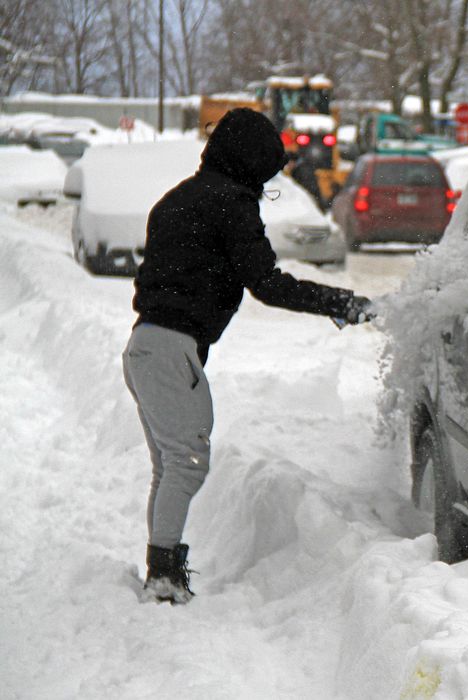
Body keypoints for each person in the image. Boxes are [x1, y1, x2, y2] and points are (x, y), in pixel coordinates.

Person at [123, 108, 373, 604]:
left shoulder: (176, 200)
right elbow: (267, 284)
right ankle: (164, 575)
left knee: (170, 466)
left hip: (144, 346)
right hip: (173, 351)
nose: (267, 184)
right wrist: (339, 303)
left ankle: (163, 565)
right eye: (267, 172)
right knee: (188, 463)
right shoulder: (229, 204)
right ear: (248, 161)